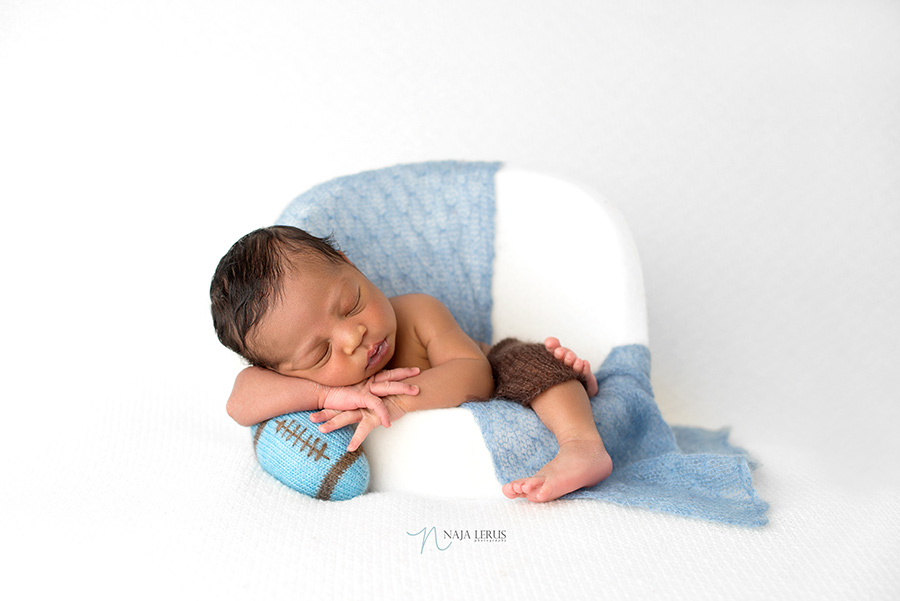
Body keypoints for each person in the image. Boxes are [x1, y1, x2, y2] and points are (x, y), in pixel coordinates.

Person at [211, 225, 613, 502]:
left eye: (351, 305)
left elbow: (476, 374)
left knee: (533, 363)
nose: (354, 337)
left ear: (349, 263)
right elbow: (239, 403)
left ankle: (582, 446)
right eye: (321, 353)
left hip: (492, 362)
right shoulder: (312, 383)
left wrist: (398, 403)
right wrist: (327, 392)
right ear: (284, 371)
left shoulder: (418, 313)